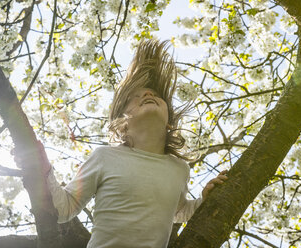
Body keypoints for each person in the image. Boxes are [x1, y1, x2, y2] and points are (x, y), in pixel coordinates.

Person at [18, 40, 228, 248]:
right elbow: (64, 208)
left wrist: (203, 201)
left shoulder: (179, 169)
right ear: (122, 125)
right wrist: (41, 170)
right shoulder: (105, 157)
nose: (147, 94)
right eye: (135, 98)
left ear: (170, 122)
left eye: (155, 95)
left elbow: (178, 211)